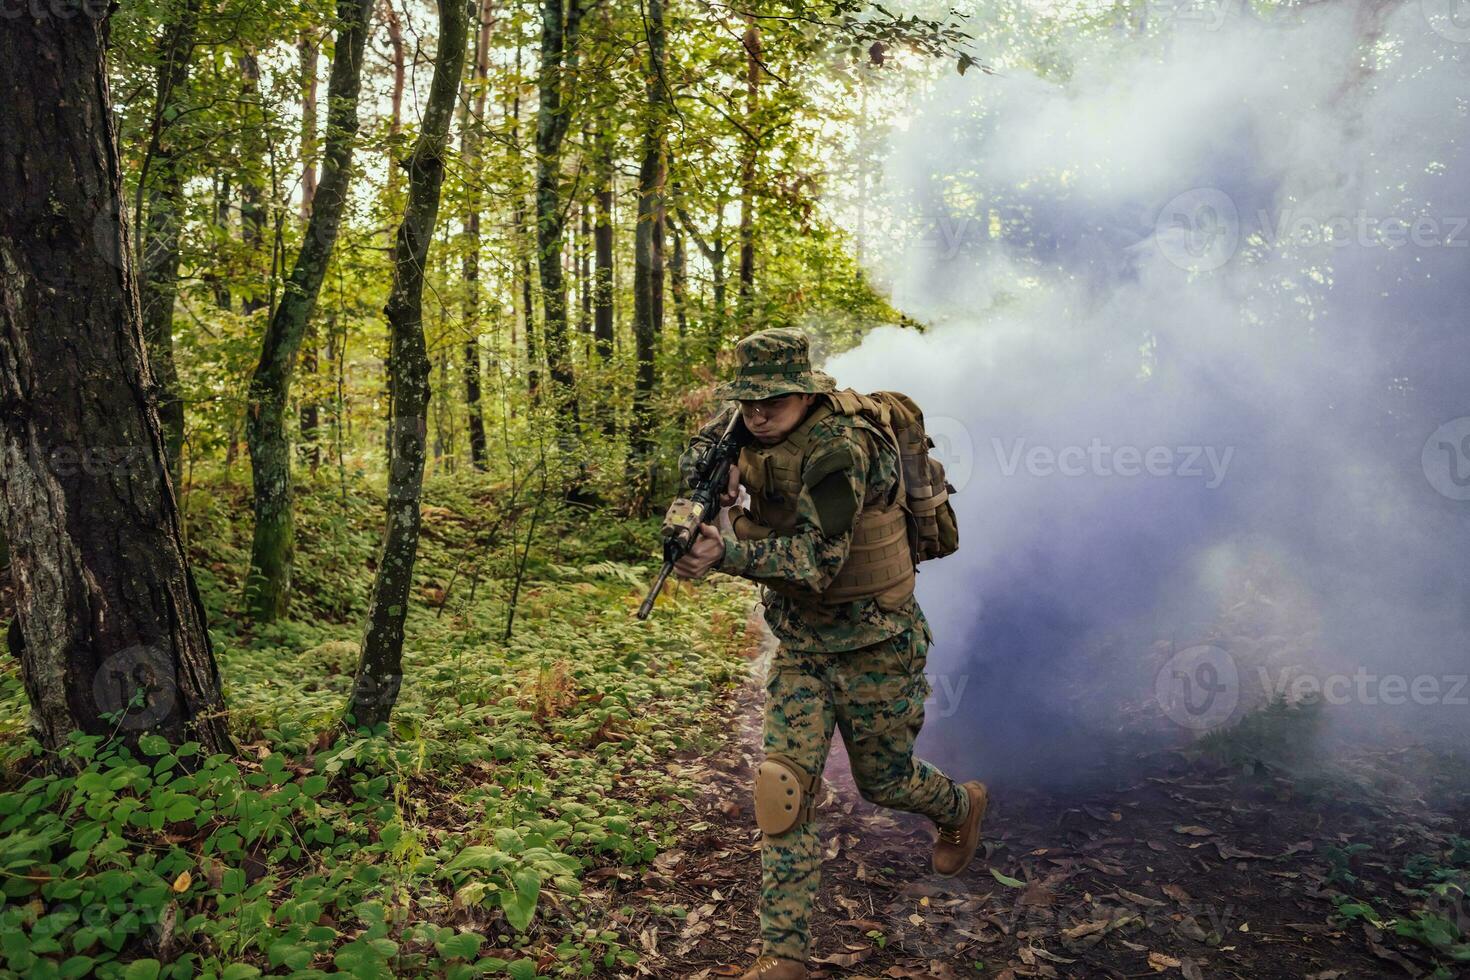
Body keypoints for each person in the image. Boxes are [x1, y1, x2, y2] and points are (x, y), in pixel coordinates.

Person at [673, 328, 987, 980]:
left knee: (885, 782)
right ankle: (782, 958)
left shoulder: (839, 447)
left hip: (877, 642)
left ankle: (961, 807)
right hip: (803, 646)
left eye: (774, 400)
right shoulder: (738, 434)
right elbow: (728, 509)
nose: (758, 413)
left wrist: (727, 551)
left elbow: (817, 561)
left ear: (805, 391)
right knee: (781, 789)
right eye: (749, 401)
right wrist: (715, 510)